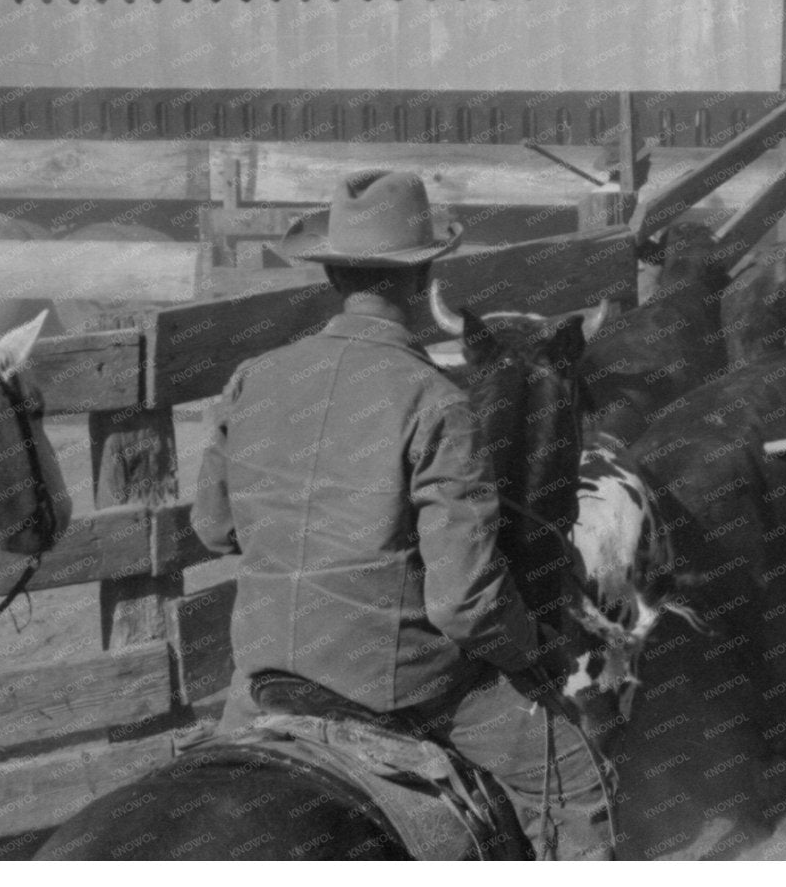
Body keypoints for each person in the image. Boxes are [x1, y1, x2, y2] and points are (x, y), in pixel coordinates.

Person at [192, 169, 612, 860]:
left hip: (263, 676)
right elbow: (463, 604)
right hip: (398, 687)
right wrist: (533, 646)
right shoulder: (435, 400)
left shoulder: (254, 376)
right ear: (422, 278)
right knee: (576, 779)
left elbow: (214, 528)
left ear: (330, 272)